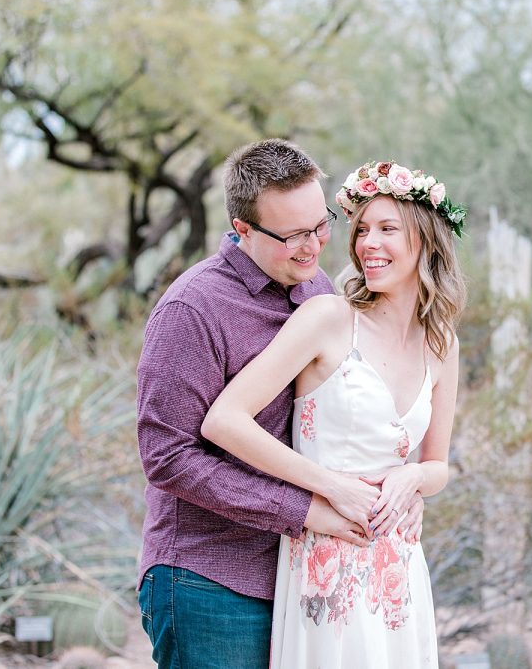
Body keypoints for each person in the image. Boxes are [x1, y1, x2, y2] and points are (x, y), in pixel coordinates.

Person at [136, 140, 425, 668]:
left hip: (307, 578)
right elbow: (167, 457)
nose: (312, 247)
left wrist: (403, 488)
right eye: (291, 235)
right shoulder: (191, 309)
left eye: (321, 226)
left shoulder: (317, 293)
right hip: (210, 582)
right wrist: (307, 510)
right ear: (241, 228)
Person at [201, 160, 468, 668]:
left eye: (388, 229)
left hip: (399, 565)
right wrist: (330, 485)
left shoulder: (443, 344)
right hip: (324, 559)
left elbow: (438, 465)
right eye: (362, 229)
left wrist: (412, 478)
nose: (368, 243)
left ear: (426, 239)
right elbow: (224, 420)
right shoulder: (327, 318)